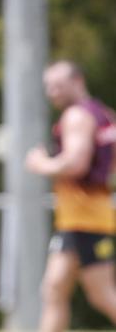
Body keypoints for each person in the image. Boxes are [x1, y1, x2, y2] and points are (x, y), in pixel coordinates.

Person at [26, 60, 116, 332]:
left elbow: (76, 164)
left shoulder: (76, 116)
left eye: (58, 85)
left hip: (86, 219)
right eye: (48, 86)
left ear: (78, 81)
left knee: (102, 295)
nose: (51, 92)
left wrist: (40, 163)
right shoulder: (104, 114)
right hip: (80, 218)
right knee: (54, 289)